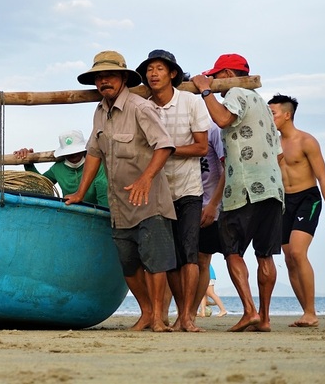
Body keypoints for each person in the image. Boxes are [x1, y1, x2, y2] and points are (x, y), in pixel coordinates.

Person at [65, 50, 176, 332]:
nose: (104, 81)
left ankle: (158, 318)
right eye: (99, 78)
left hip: (149, 200)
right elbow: (93, 154)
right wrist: (80, 193)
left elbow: (164, 146)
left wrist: (146, 179)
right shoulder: (99, 112)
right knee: (128, 264)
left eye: (110, 75)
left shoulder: (141, 108)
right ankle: (147, 312)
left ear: (123, 78)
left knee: (155, 261)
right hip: (120, 204)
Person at [191, 53, 284, 332]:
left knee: (232, 251)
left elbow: (221, 119)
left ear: (228, 75)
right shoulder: (265, 107)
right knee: (265, 255)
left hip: (243, 186)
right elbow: (278, 155)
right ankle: (265, 318)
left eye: (216, 76)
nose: (213, 81)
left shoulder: (235, 93)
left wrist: (205, 91)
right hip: (272, 187)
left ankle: (249, 311)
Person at [136, 50, 209, 332]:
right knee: (171, 257)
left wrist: (166, 151)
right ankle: (179, 314)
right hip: (157, 189)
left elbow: (202, 147)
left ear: (172, 74)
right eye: (149, 70)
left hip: (189, 187)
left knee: (190, 253)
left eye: (160, 69)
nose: (154, 74)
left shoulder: (190, 102)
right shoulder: (144, 106)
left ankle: (187, 317)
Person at [268, 94, 325, 328]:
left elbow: (323, 178)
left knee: (297, 251)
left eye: (273, 113)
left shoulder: (307, 141)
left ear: (287, 115)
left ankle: (311, 311)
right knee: (288, 257)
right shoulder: (271, 143)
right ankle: (306, 312)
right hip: (283, 201)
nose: (269, 117)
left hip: (308, 198)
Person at [13, 130, 109, 207]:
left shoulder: (98, 165)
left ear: (84, 150)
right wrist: (28, 163)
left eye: (77, 151)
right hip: (71, 212)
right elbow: (40, 184)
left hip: (99, 213)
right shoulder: (57, 168)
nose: (73, 154)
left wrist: (104, 217)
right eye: (69, 152)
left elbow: (103, 193)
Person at [194, 121, 226, 321]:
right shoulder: (180, 126)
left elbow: (226, 167)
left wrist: (214, 204)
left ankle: (191, 313)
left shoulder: (213, 129)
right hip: (188, 202)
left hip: (211, 205)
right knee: (182, 261)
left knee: (203, 259)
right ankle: (185, 312)